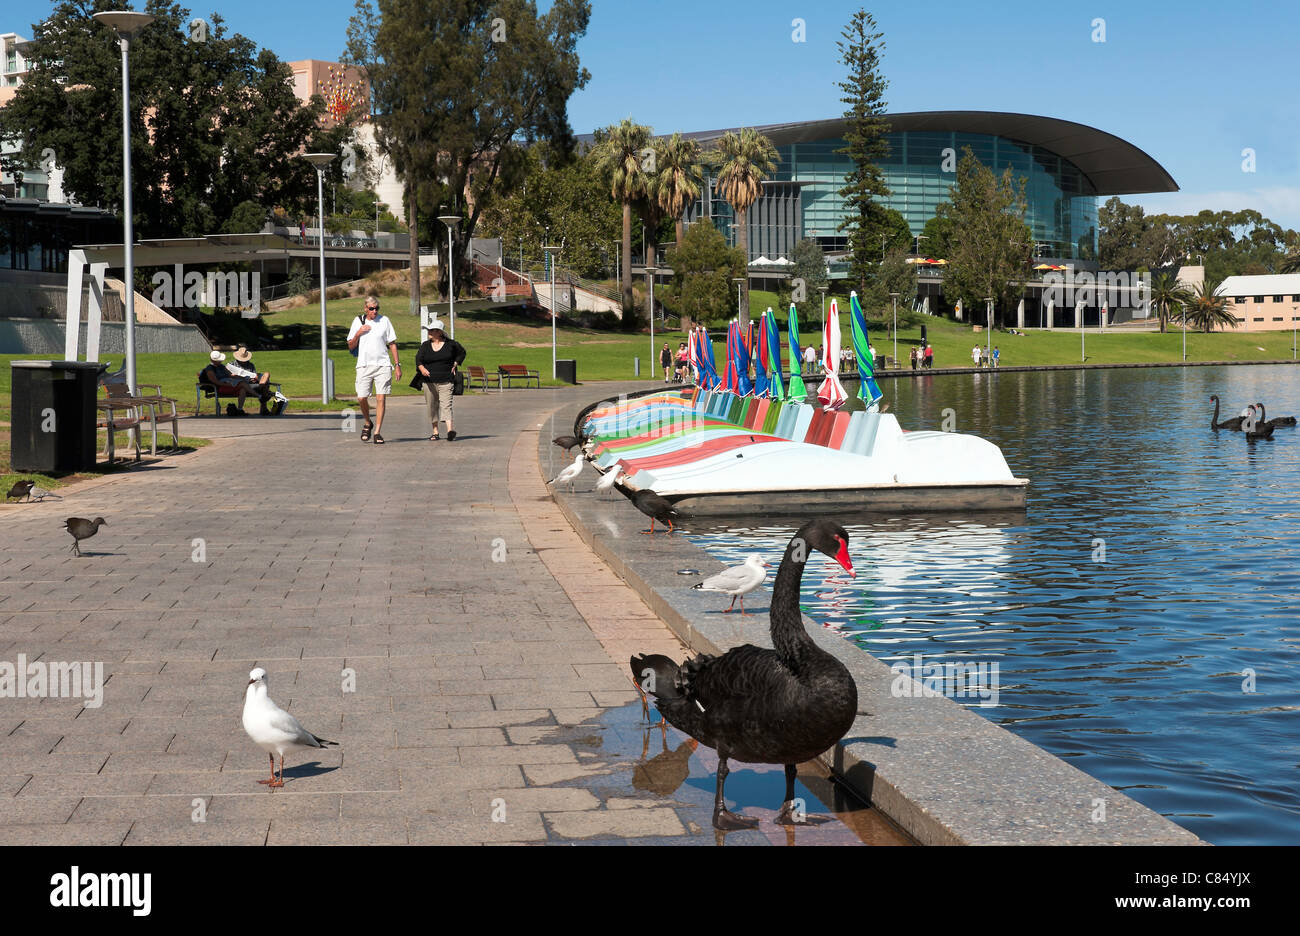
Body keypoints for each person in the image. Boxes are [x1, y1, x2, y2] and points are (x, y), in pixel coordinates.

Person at [347, 296, 400, 444]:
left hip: (383, 365)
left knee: (381, 398)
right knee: (361, 397)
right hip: (364, 365)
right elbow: (350, 345)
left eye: (377, 308)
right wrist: (358, 333)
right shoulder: (358, 321)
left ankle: (377, 432)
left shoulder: (385, 321)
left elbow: (392, 344)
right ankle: (367, 422)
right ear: (365, 308)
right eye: (371, 309)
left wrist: (397, 365)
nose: (374, 311)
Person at [411, 318, 466, 442]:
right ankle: (435, 432)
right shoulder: (425, 345)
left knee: (446, 405)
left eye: (432, 330)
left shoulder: (451, 344)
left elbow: (462, 353)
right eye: (429, 330)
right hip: (429, 381)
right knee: (432, 406)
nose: (429, 332)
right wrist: (422, 369)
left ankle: (450, 431)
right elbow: (418, 359)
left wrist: (456, 363)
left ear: (440, 332)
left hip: (446, 380)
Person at [202, 350, 270, 415]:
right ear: (213, 360)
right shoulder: (210, 369)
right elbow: (215, 382)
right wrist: (229, 385)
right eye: (218, 360)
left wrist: (242, 378)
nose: (220, 361)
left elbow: (230, 375)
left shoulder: (222, 366)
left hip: (230, 383)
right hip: (222, 387)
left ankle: (240, 410)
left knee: (243, 388)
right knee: (242, 384)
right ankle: (260, 396)